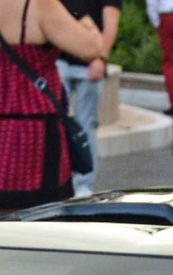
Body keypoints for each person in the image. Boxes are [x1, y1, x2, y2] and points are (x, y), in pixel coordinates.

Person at [0, 0, 103, 211]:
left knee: (7, 217)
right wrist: (79, 12)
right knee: (43, 220)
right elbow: (91, 47)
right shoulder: (40, 4)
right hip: (33, 126)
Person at [57, 0, 117, 194]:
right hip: (60, 59)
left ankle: (84, 184)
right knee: (55, 123)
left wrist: (102, 57)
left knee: (86, 124)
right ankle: (58, 179)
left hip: (89, 62)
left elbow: (111, 23)